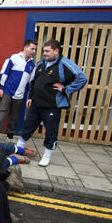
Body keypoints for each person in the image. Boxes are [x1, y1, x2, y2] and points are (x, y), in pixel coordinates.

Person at [16, 39, 87, 167]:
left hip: (52, 106)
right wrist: (30, 97)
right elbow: (34, 82)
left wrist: (65, 89)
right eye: (44, 51)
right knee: (27, 127)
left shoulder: (65, 64)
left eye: (47, 51)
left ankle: (46, 156)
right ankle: (17, 150)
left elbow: (82, 78)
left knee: (51, 132)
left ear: (56, 51)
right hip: (36, 103)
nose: (44, 54)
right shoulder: (41, 63)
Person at [0, 39, 38, 141]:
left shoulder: (32, 65)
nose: (34, 51)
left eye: (35, 49)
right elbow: (4, 73)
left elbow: (31, 82)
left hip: (20, 95)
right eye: (32, 49)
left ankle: (10, 136)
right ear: (25, 48)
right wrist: (1, 87)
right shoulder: (14, 58)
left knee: (14, 116)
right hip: (7, 92)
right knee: (1, 113)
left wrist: (29, 96)